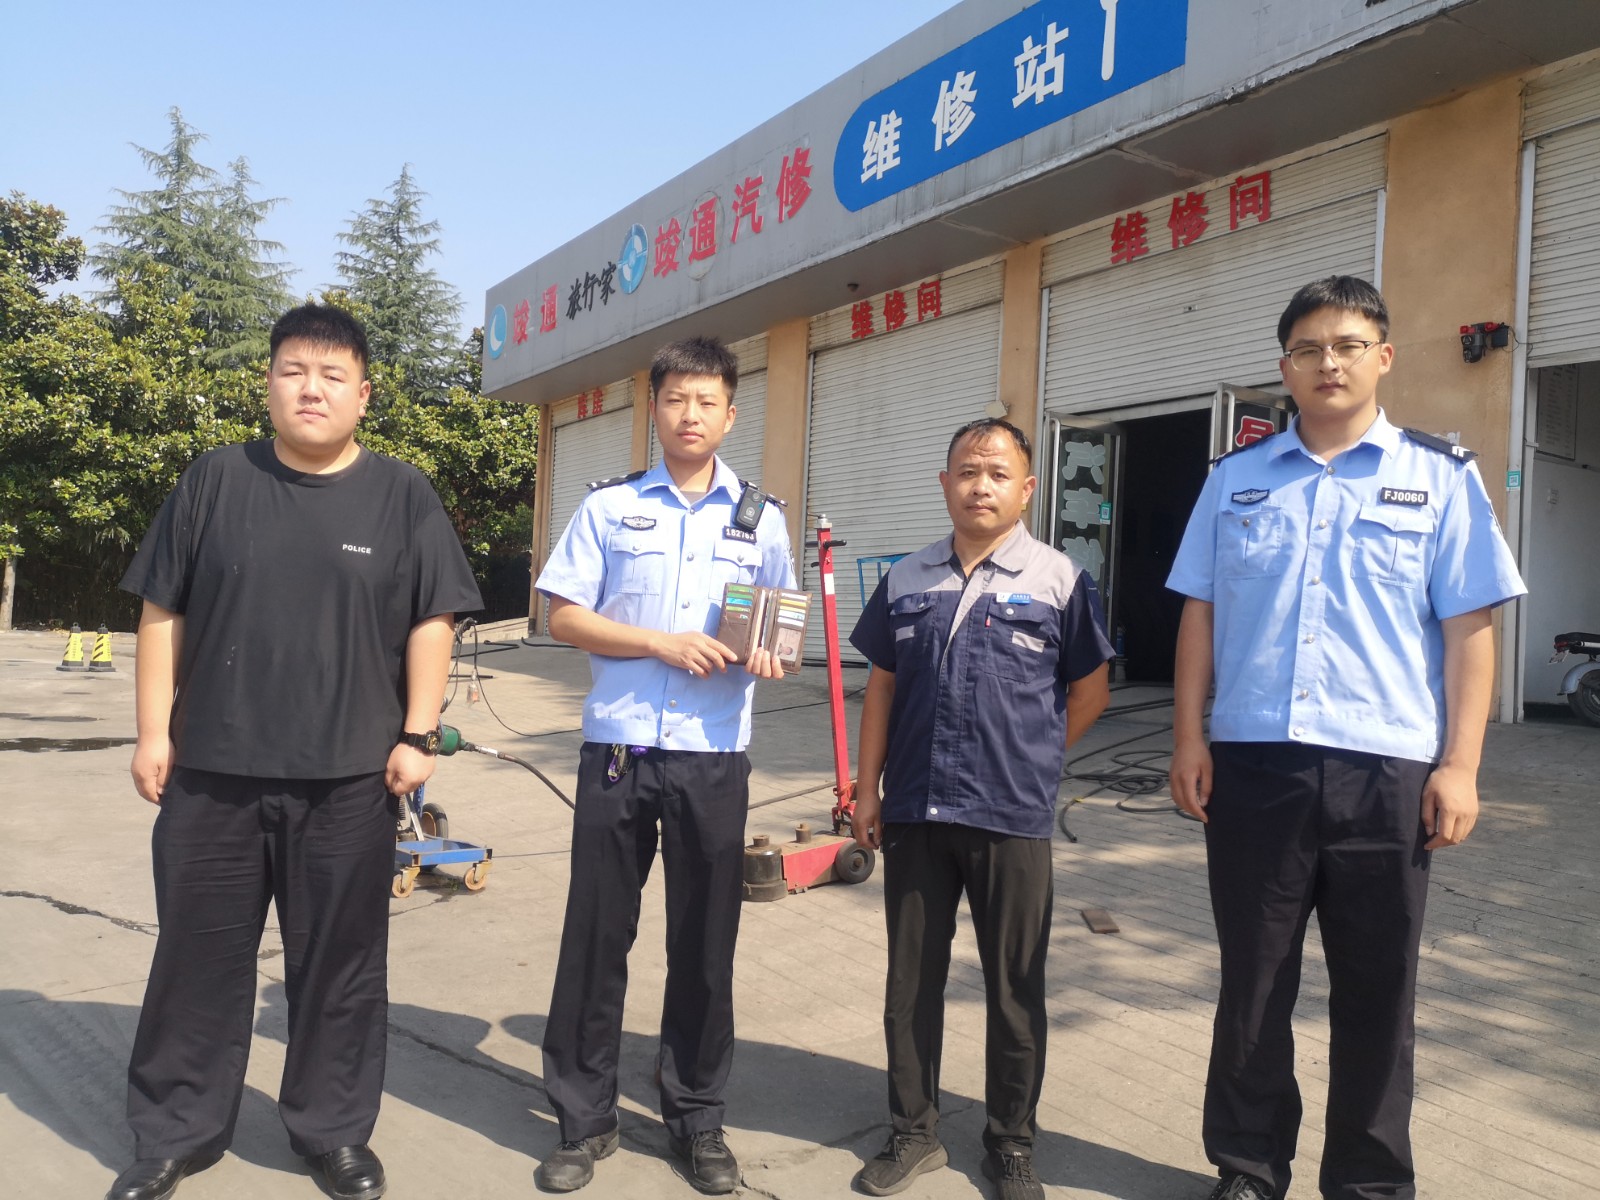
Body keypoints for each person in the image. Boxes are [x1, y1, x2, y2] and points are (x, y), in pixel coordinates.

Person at [109, 304, 482, 1200]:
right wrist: (153, 731)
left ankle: (333, 1130)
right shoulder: (215, 479)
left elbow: (433, 618)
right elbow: (162, 609)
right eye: (293, 371)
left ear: (364, 394)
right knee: (196, 960)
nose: (310, 390)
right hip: (213, 773)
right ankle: (175, 1131)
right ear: (269, 382)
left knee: (339, 968)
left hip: (349, 779)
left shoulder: (402, 494)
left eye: (331, 376)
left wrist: (418, 733)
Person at [1166, 276, 1526, 1200]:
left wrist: (1461, 766)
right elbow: (1200, 614)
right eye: (1309, 349)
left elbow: (1469, 631)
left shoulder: (1441, 478)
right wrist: (1188, 739)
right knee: (1254, 984)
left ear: (1384, 357)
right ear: (1285, 366)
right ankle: (1249, 1167)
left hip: (1386, 775)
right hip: (1256, 767)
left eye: (1348, 345)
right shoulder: (1234, 480)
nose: (1328, 362)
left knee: (1378, 989)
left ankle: (1368, 1181)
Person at [533, 336, 796, 1195]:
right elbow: (563, 616)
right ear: (654, 408)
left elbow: (778, 627)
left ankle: (696, 1119)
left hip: (712, 758)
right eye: (676, 399)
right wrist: (658, 643)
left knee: (705, 944)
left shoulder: (761, 518)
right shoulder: (609, 508)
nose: (690, 415)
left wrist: (770, 653)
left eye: (706, 401)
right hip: (618, 750)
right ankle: (583, 1119)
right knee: (596, 936)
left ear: (731, 414)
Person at [847, 418, 1114, 1200]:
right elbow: (882, 689)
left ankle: (1012, 1143)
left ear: (1026, 489)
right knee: (910, 984)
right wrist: (867, 789)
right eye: (967, 471)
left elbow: (1090, 690)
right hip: (916, 812)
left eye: (998, 473)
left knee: (1015, 988)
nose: (980, 485)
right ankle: (913, 1132)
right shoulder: (906, 579)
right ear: (945, 484)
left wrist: (1035, 756)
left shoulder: (1060, 578)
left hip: (1012, 816)